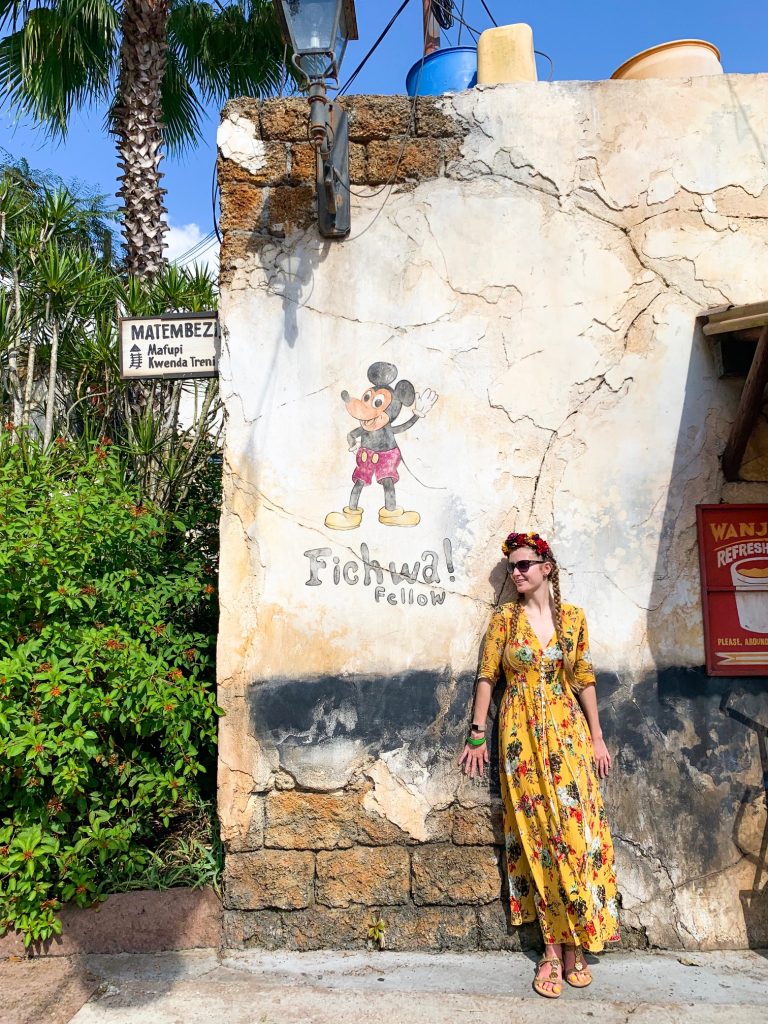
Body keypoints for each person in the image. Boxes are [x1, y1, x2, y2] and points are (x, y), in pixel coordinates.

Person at [459, 531, 619, 998]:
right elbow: (488, 675)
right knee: (537, 836)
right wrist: (475, 731)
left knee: (575, 830)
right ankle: (552, 949)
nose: (517, 572)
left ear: (547, 567)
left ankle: (576, 944)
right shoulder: (505, 619)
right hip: (520, 733)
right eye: (511, 566)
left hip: (567, 731)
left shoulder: (573, 619)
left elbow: (583, 677)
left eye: (525, 564)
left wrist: (597, 736)